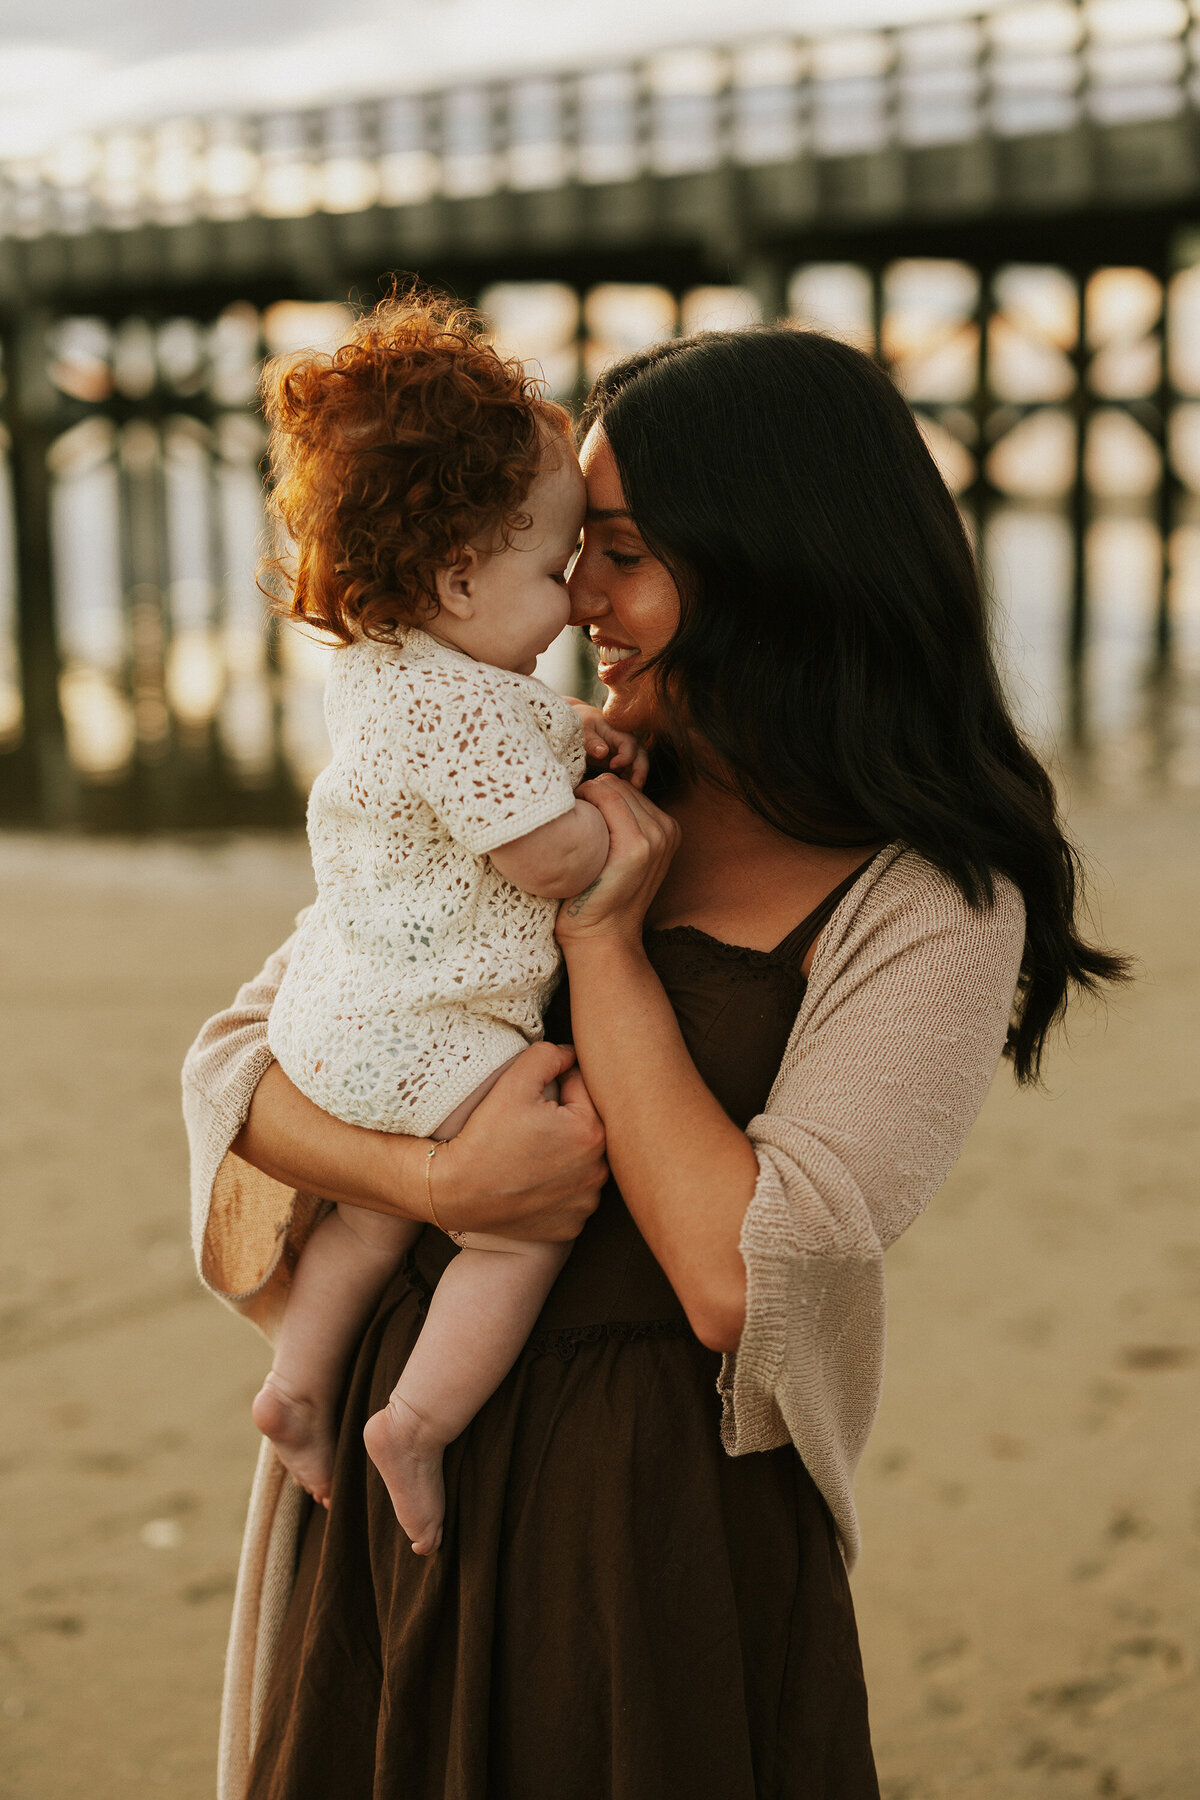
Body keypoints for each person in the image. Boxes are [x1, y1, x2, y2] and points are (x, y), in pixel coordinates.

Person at [184, 322, 1126, 1800]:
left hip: (652, 1521)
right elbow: (247, 1057)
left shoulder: (932, 902)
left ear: (766, 564)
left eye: (615, 554)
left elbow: (743, 1276)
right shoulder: (546, 776)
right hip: (396, 1464)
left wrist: (608, 945)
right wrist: (434, 1172)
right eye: (573, 553)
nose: (578, 606)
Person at [247, 291, 646, 1557]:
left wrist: (560, 735)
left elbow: (471, 760)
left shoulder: (386, 666)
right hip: (431, 1033)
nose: (579, 598)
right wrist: (621, 822)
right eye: (556, 565)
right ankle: (412, 1420)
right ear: (462, 573)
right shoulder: (477, 713)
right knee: (515, 1220)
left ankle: (298, 1384)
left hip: (333, 1023)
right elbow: (541, 854)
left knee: (373, 1217)